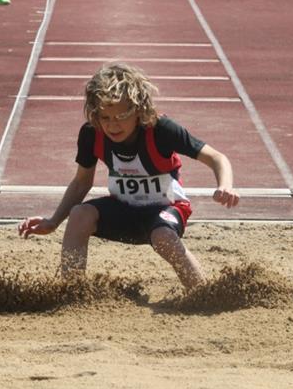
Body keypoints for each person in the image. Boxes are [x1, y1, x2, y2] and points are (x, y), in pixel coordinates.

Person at [18, 62, 239, 289]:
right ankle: (71, 291)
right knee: (79, 215)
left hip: (165, 211)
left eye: (121, 115)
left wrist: (226, 185)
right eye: (105, 117)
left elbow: (217, 157)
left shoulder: (161, 129)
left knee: (163, 237)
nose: (113, 125)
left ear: (138, 110)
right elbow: (81, 182)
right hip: (123, 210)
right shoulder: (91, 133)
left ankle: (204, 294)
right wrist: (53, 222)